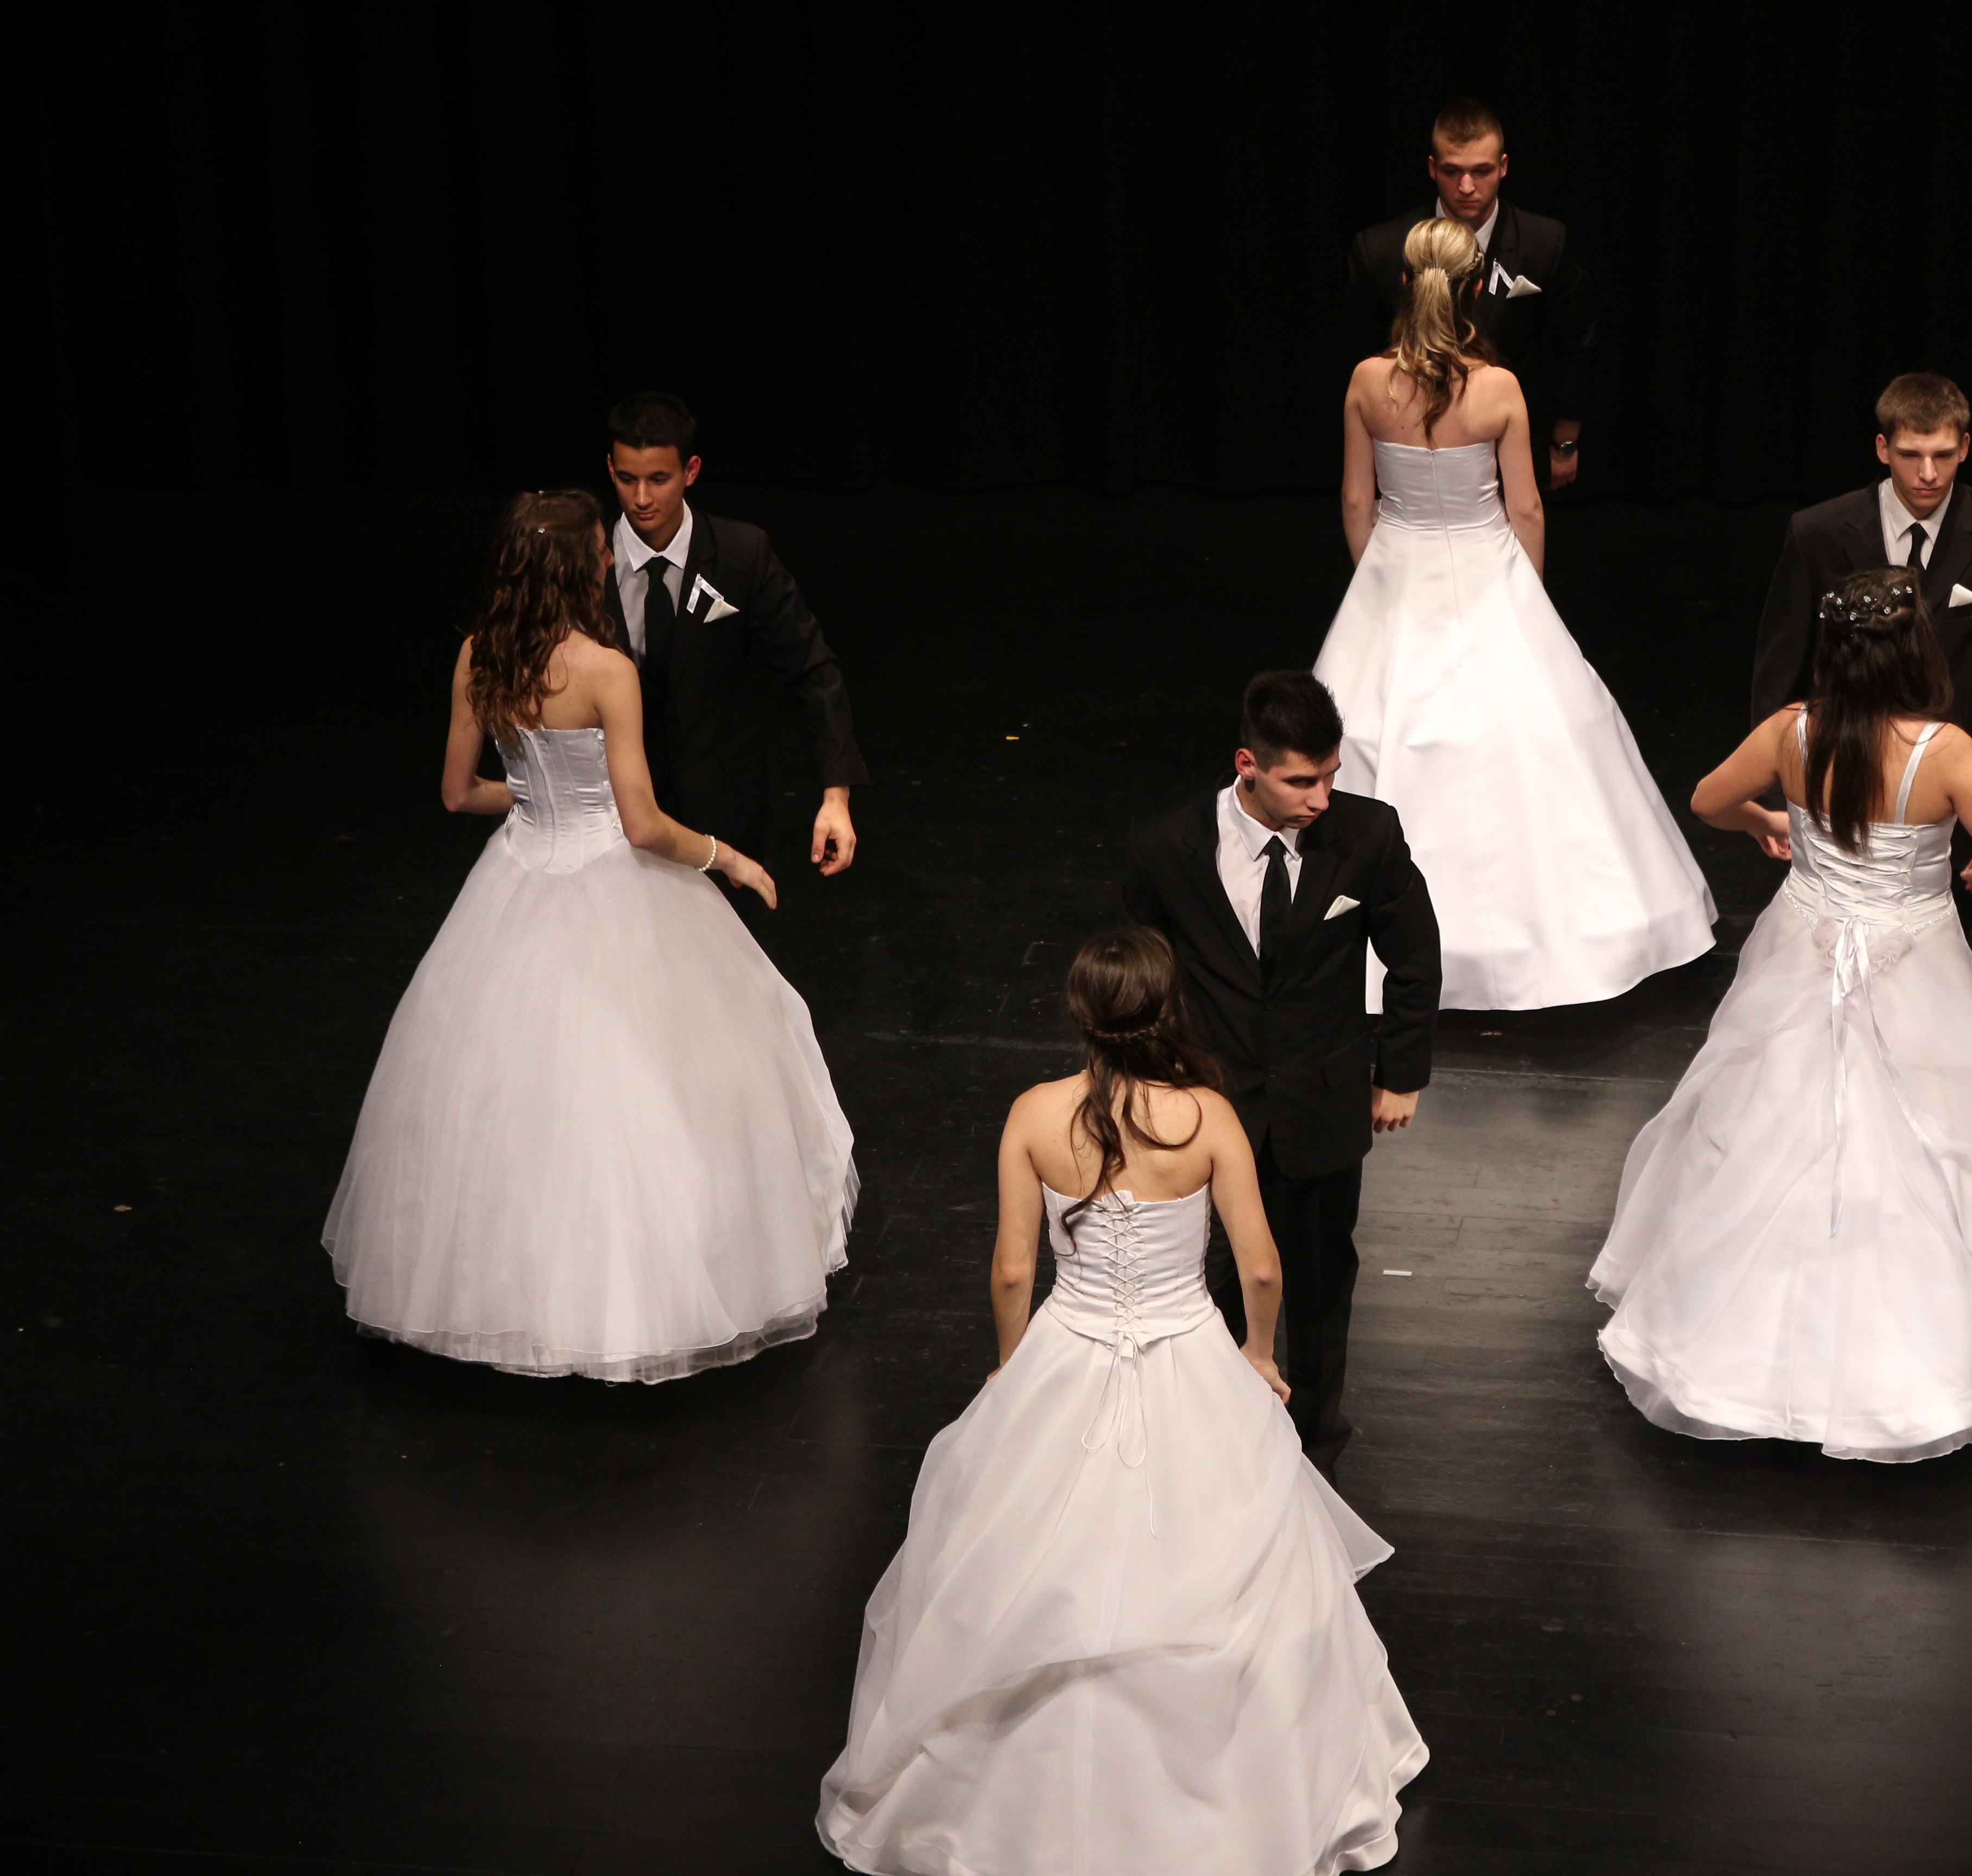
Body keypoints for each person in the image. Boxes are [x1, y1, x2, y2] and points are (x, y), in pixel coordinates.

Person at [817, 928, 1426, 1875]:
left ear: (1081, 1014)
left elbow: (1013, 1267)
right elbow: (1262, 1265)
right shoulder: (1207, 1116)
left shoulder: (1034, 1113)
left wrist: (1011, 1369)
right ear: (1168, 1008)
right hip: (1191, 1352)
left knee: (1031, 1564)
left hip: (1068, 1346)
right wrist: (1258, 1355)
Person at [1588, 568, 1972, 1461]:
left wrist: (1768, 820)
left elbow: (1708, 800)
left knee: (1769, 1119)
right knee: (1933, 1131)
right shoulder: (1945, 753)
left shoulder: (1791, 731)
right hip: (1913, 956)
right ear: (1917, 651)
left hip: (1804, 941)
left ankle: (1738, 1348)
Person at [324, 491, 857, 1380]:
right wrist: (728, 858)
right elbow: (643, 826)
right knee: (647, 1087)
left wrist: (540, 800)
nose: (613, 558)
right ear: (582, 569)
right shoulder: (606, 670)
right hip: (610, 876)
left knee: (501, 1097)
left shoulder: (478, 654)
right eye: (601, 554)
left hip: (517, 876)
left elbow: (458, 792)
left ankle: (507, 1297)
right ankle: (631, 1306)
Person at [1316, 215, 1714, 1010]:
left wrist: (1378, 580)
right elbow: (1526, 508)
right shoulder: (1498, 387)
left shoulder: (1367, 382)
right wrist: (1524, 600)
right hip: (1487, 568)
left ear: (1404, 284)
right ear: (1475, 287)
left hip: (1396, 565)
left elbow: (1358, 500)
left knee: (1368, 730)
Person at [1122, 671, 1443, 1479]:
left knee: (1321, 1281)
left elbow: (1415, 955)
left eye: (1331, 775)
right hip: (1209, 1107)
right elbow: (1136, 972)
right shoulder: (1169, 846)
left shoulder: (1366, 835)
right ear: (1248, 765)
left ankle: (1315, 1445)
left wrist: (1400, 1073)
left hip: (1321, 1105)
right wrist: (1141, 1081)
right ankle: (1214, 1435)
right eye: (1302, 781)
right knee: (1207, 1276)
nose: (1322, 798)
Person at [1748, 372, 1972, 869]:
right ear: (1883, 448)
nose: (1928, 473)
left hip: (1963, 789)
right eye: (1911, 455)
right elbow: (1779, 671)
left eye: (1943, 455)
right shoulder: (1818, 533)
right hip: (1841, 776)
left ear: (1965, 448)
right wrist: (1772, 795)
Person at [603, 391, 868, 885]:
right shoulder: (579, 559)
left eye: (658, 479)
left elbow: (812, 669)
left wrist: (837, 792)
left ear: (691, 471)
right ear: (610, 469)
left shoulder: (743, 554)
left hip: (726, 815)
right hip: (612, 818)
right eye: (627, 479)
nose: (641, 499)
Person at [1349, 97, 1597, 491]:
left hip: (1513, 446)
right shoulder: (1382, 249)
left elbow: (1573, 344)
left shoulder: (1544, 244)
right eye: (1452, 171)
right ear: (1433, 168)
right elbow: (1362, 351)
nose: (1467, 187)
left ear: (1503, 167)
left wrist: (1565, 439)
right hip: (1407, 449)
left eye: (1481, 171)